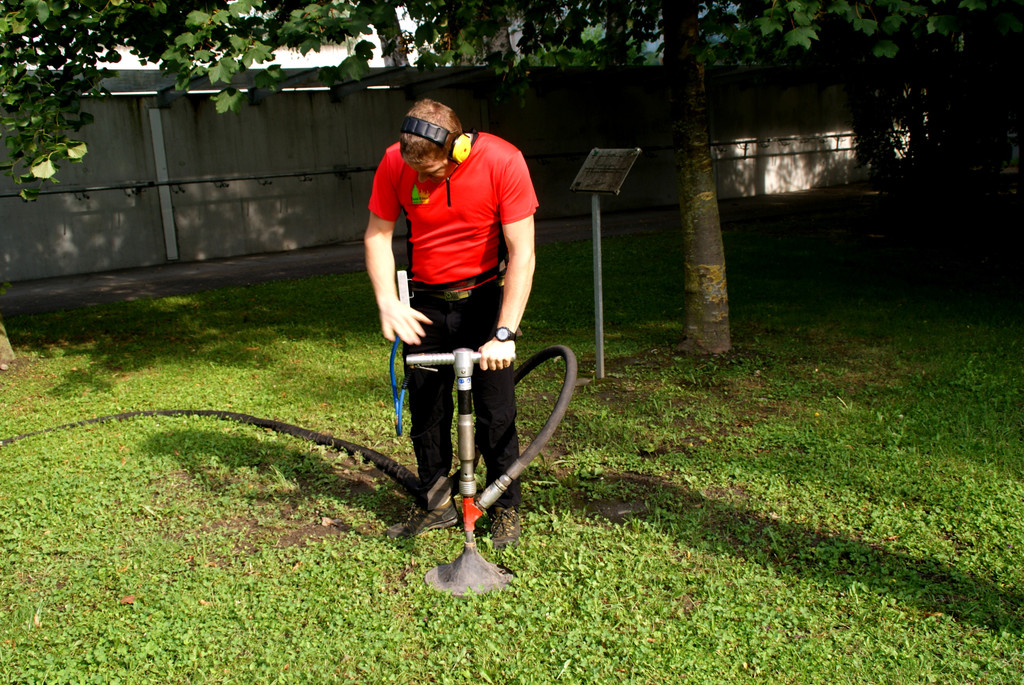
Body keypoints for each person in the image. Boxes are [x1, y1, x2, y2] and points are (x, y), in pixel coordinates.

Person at [364, 98, 537, 549]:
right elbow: (377, 236)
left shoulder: (503, 161)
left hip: (484, 300)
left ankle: (503, 506)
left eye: (431, 172)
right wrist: (387, 302)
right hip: (424, 305)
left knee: (496, 412)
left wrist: (504, 332)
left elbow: (522, 252)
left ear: (458, 148)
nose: (421, 181)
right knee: (427, 410)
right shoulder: (393, 162)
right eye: (415, 171)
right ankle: (438, 504)